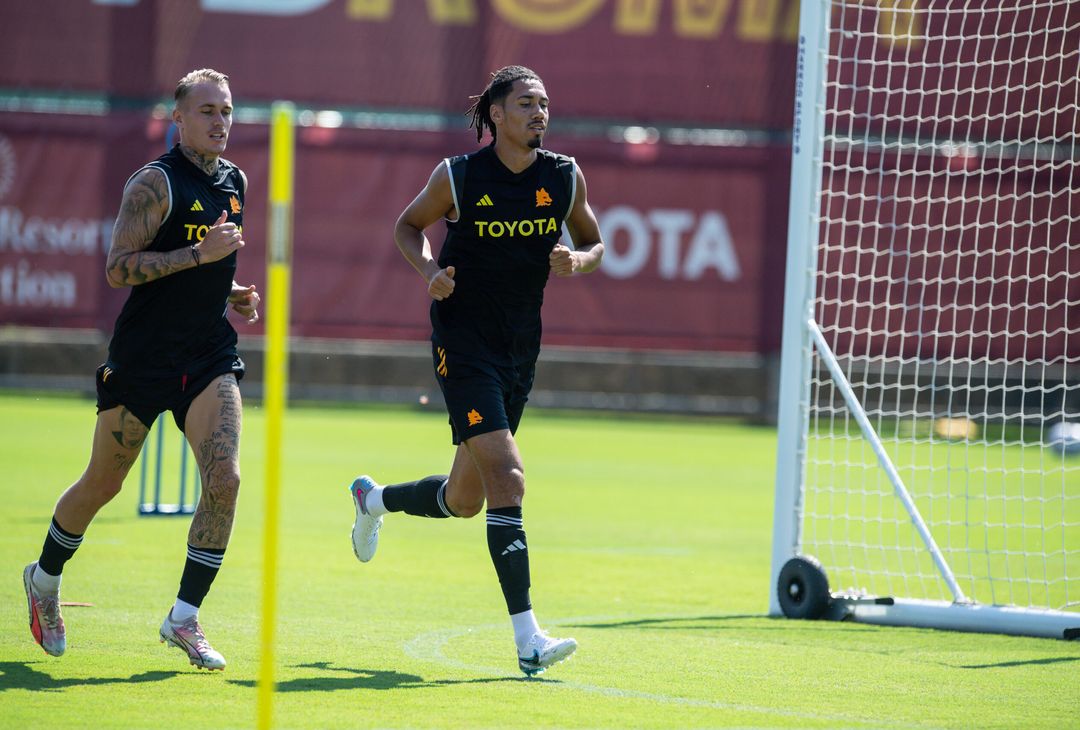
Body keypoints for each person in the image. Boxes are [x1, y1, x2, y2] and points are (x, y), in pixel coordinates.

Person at [348, 65, 605, 677]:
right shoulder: (458, 176)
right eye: (526, 104)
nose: (539, 113)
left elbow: (595, 242)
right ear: (495, 114)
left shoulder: (563, 176)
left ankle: (372, 499)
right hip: (462, 344)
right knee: (510, 478)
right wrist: (429, 270)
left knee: (466, 500)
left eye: (545, 103)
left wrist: (579, 261)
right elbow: (407, 228)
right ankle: (528, 640)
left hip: (521, 348)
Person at [22, 68, 259, 671]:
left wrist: (226, 287)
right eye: (206, 111)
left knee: (225, 480)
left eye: (227, 110)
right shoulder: (154, 183)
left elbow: (202, 268)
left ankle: (184, 617)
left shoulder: (235, 182)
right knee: (104, 483)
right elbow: (119, 269)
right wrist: (199, 256)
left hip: (208, 354)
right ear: (177, 119)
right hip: (143, 359)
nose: (220, 121)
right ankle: (44, 580)